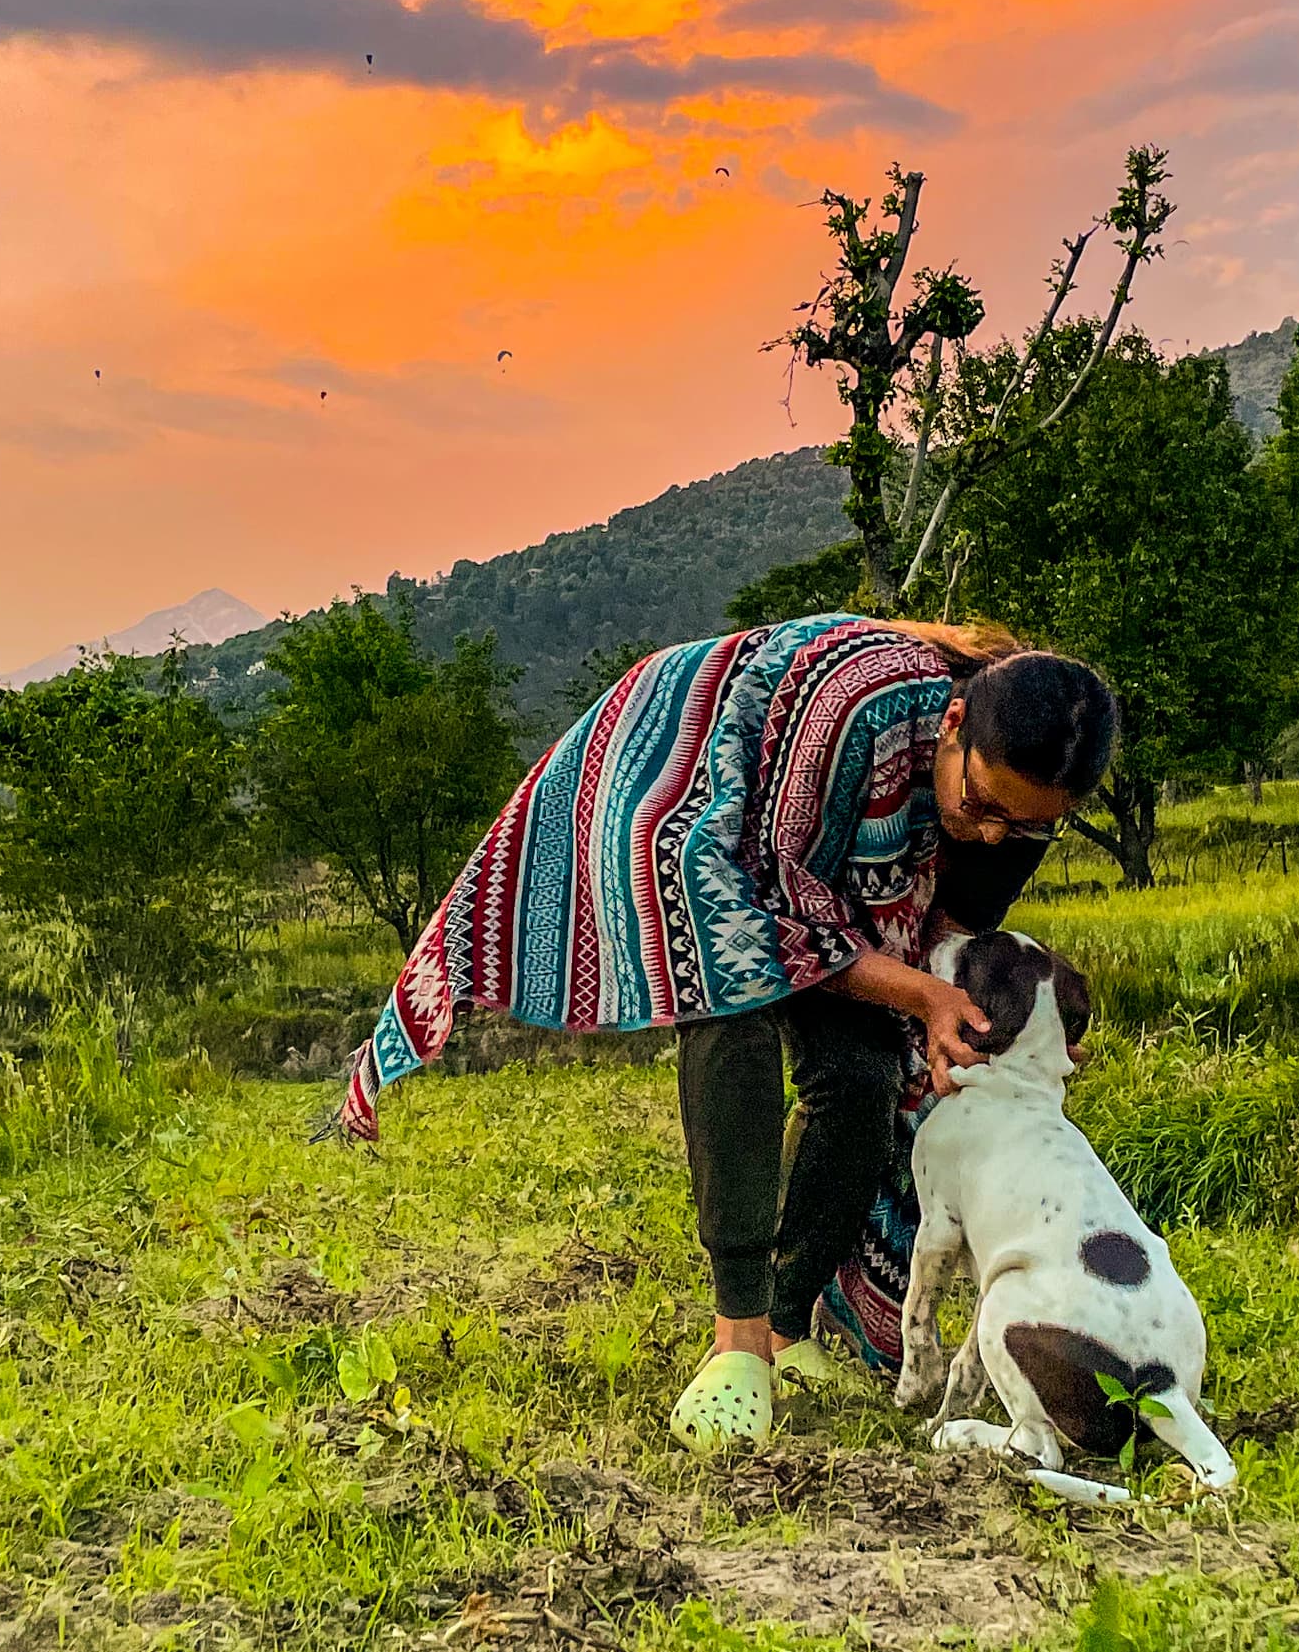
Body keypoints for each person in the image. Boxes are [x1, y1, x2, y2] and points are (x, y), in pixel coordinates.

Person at [334, 612, 1118, 1452]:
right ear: (955, 723)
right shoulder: (853, 703)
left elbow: (940, 937)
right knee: (731, 1004)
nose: (996, 832)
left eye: (1026, 826)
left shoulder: (1021, 794)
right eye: (984, 806)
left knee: (864, 1077)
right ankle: (737, 1339)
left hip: (819, 874)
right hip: (684, 802)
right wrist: (918, 994)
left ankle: (787, 1327)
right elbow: (773, 911)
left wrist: (974, 1018)